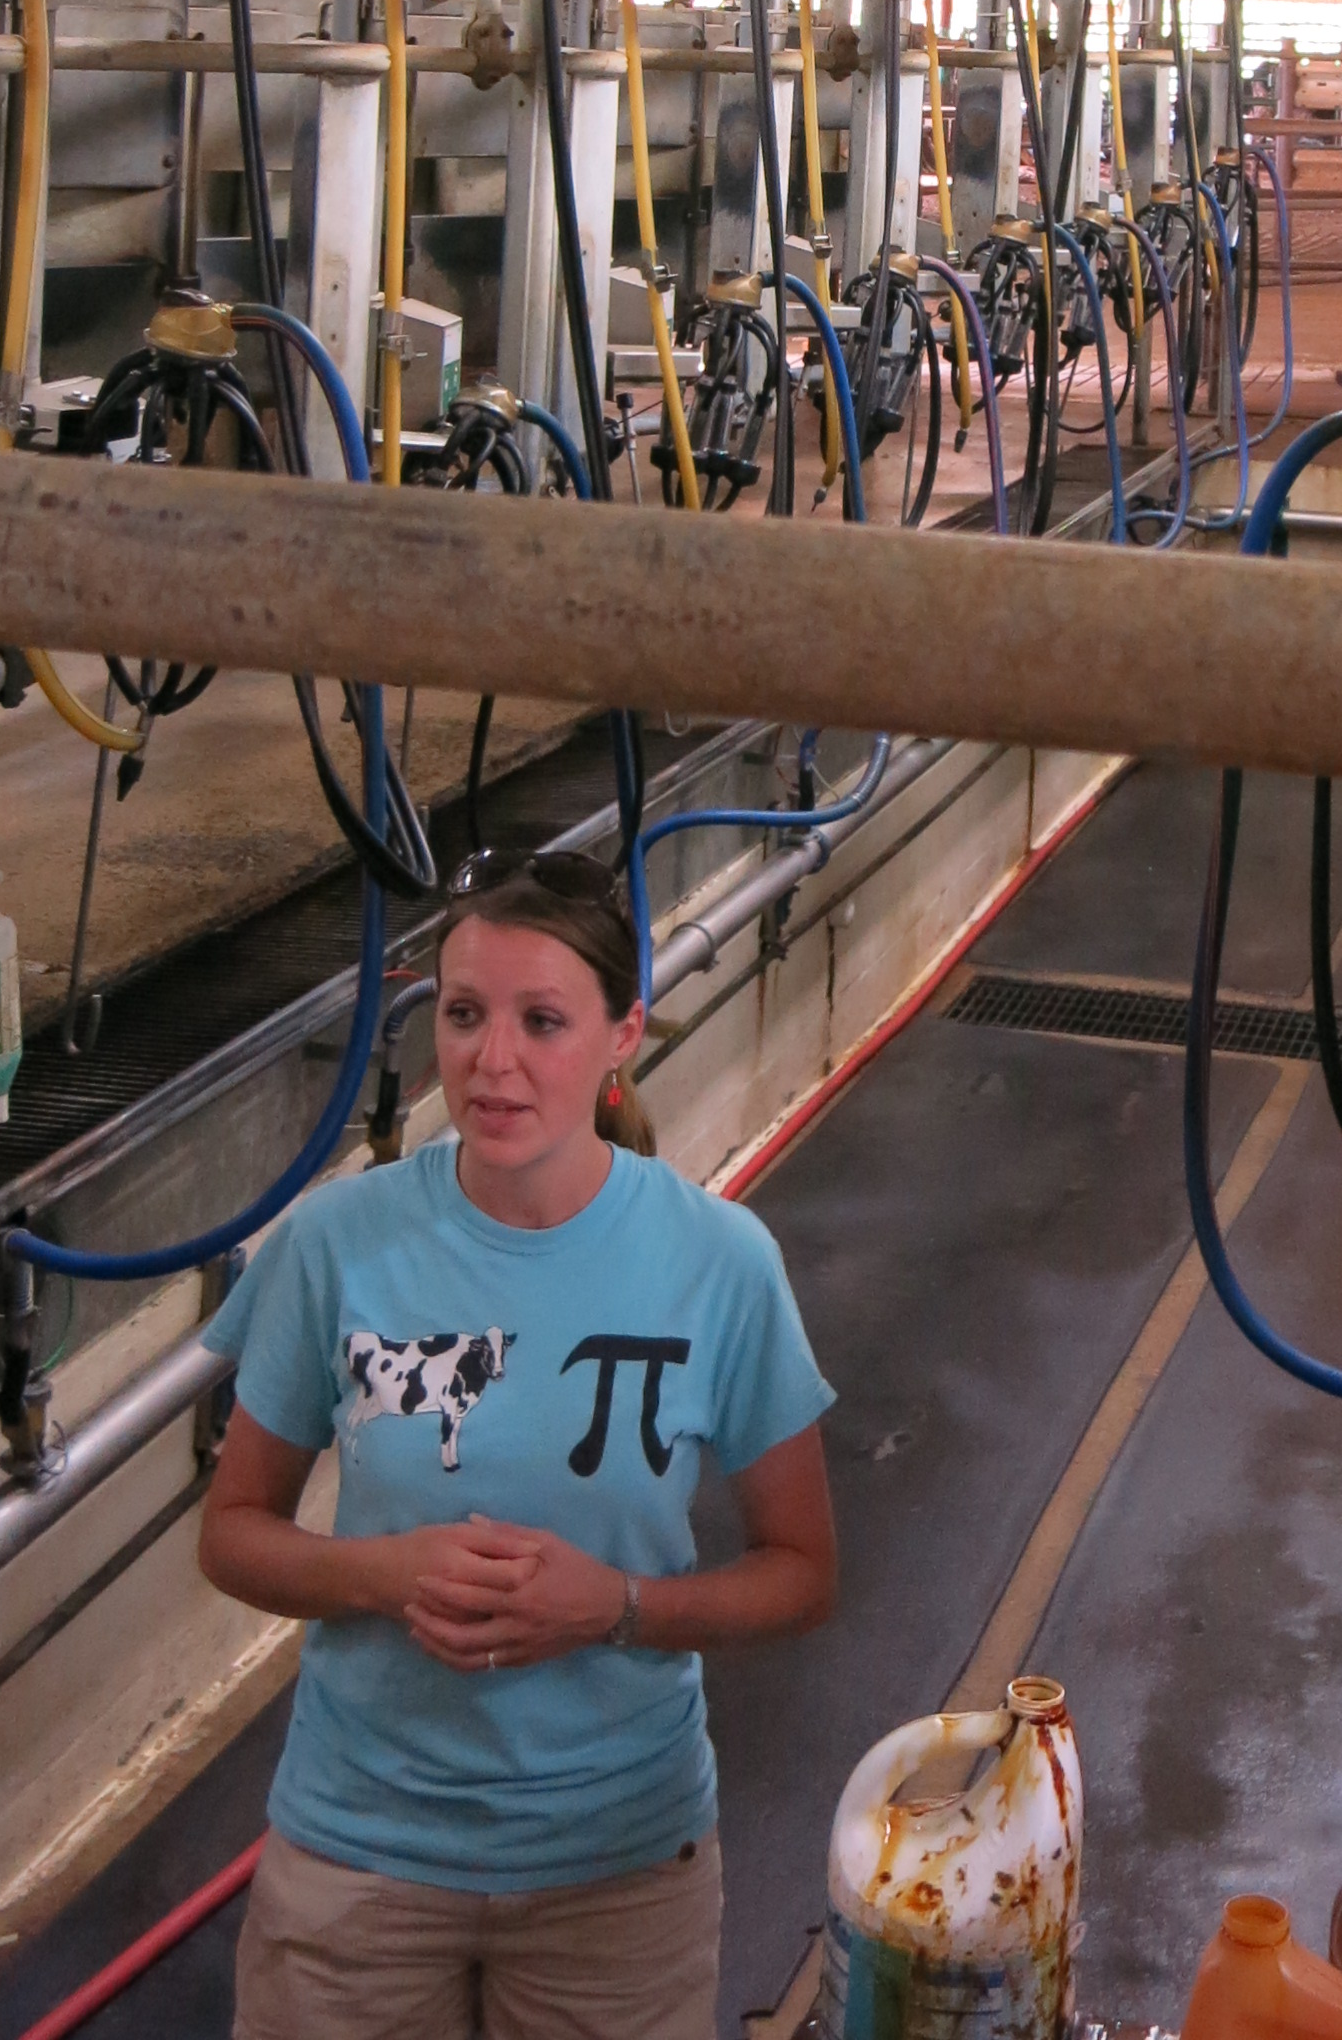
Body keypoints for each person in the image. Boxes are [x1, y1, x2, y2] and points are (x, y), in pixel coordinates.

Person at [197, 850, 839, 2040]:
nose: (493, 1061)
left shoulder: (720, 1263)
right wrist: (385, 1575)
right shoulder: (338, 1242)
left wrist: (620, 1605)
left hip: (616, 1867)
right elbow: (233, 1533)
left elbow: (801, 1570)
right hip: (360, 1861)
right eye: (463, 1014)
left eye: (543, 1020)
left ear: (621, 1035)